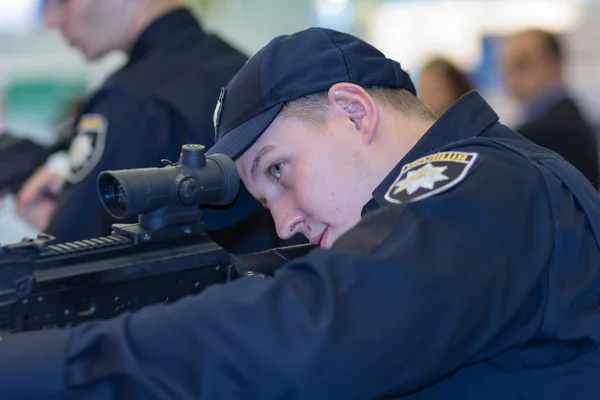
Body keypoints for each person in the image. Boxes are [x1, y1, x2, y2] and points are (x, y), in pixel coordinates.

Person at [1, 27, 600, 399]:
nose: (285, 222)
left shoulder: (483, 181)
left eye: (279, 170)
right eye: (265, 197)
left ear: (354, 112)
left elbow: (309, 328)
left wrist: (48, 365)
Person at [13, 0, 291, 253]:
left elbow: (72, 262)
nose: (50, 20)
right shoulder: (247, 72)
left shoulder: (131, 99)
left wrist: (54, 220)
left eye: (61, 1)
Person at [501, 27, 599, 189]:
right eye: (507, 66)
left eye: (522, 64)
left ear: (557, 65)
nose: (511, 77)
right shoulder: (569, 115)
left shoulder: (546, 130)